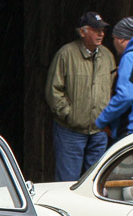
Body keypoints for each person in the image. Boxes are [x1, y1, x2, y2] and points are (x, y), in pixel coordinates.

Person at [46, 11, 116, 181]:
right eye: (96, 29)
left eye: (103, 30)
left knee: (94, 183)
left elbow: (113, 88)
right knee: (67, 182)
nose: (101, 33)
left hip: (99, 132)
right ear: (82, 32)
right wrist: (70, 115)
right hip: (71, 131)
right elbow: (53, 90)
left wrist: (106, 116)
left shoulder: (107, 56)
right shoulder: (66, 54)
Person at [95, 17, 133, 141]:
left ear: (121, 38)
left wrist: (102, 120)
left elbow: (125, 96)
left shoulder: (131, 58)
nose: (114, 42)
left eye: (114, 38)